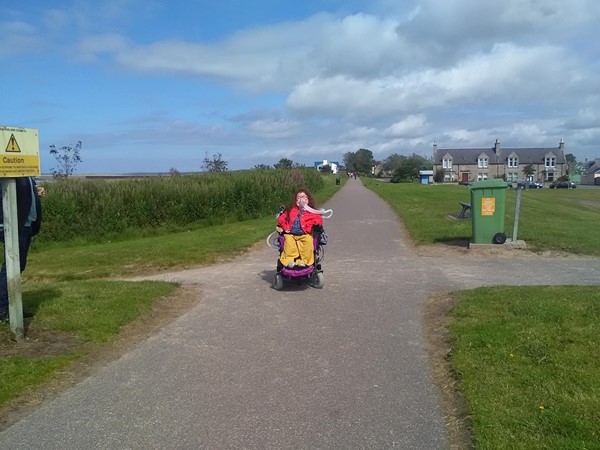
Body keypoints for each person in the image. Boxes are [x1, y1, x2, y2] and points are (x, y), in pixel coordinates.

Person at [0, 177, 43, 323]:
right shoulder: (10, 169)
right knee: (11, 267)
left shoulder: (26, 173)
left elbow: (24, 193)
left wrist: (36, 192)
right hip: (14, 224)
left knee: (19, 266)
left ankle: (14, 307)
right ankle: (4, 310)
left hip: (26, 224)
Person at [276, 188, 323, 269]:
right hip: (291, 234)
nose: (301, 199)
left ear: (308, 199)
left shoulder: (312, 211)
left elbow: (318, 220)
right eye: (298, 197)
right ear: (295, 201)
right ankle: (289, 261)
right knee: (289, 243)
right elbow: (281, 219)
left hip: (305, 233)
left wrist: (313, 226)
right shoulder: (290, 210)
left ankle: (304, 261)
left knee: (308, 241)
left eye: (304, 197)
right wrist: (285, 227)